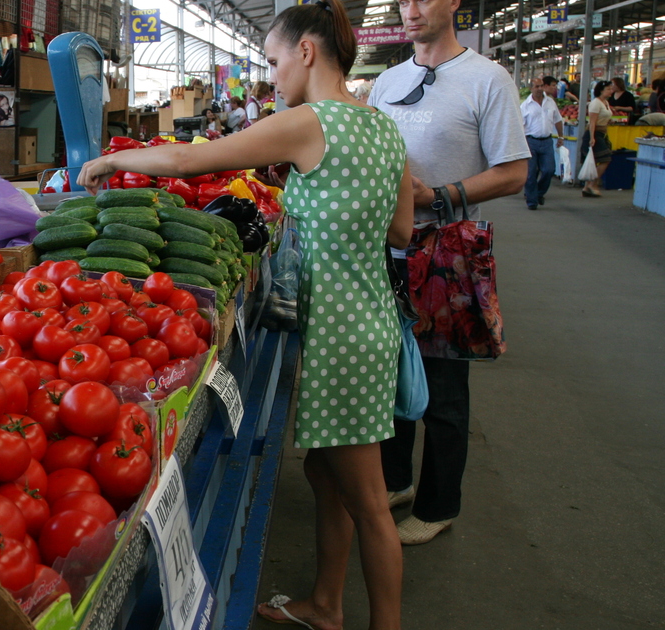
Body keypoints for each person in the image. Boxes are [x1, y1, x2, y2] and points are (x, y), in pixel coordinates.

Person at [78, 1, 414, 627]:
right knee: (326, 474)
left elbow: (190, 159)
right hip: (370, 322)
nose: (274, 74)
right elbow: (401, 229)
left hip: (341, 337)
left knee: (369, 502)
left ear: (307, 52)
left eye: (275, 60)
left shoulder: (312, 121)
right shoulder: (385, 128)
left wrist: (115, 160)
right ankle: (327, 605)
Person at [370, 0, 528, 546]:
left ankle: (439, 505)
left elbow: (513, 172)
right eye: (401, 1)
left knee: (443, 387)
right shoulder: (387, 82)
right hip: (384, 250)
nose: (409, 10)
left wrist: (439, 195)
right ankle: (394, 480)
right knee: (389, 374)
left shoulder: (487, 79)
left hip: (447, 253)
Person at [521, 77, 564, 210]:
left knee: (549, 170)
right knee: (530, 173)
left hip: (547, 141)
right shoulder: (525, 106)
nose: (539, 89)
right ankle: (532, 201)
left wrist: (561, 136)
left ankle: (539, 193)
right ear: (531, 88)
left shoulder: (550, 102)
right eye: (536, 86)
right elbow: (519, 126)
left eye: (541, 86)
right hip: (530, 141)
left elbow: (558, 120)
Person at [579, 80, 615, 197]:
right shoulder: (595, 103)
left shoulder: (606, 103)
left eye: (611, 89)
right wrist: (592, 137)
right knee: (605, 159)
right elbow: (592, 122)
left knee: (594, 160)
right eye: (608, 89)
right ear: (601, 91)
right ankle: (592, 184)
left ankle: (587, 186)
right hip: (594, 134)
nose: (611, 91)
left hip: (602, 133)